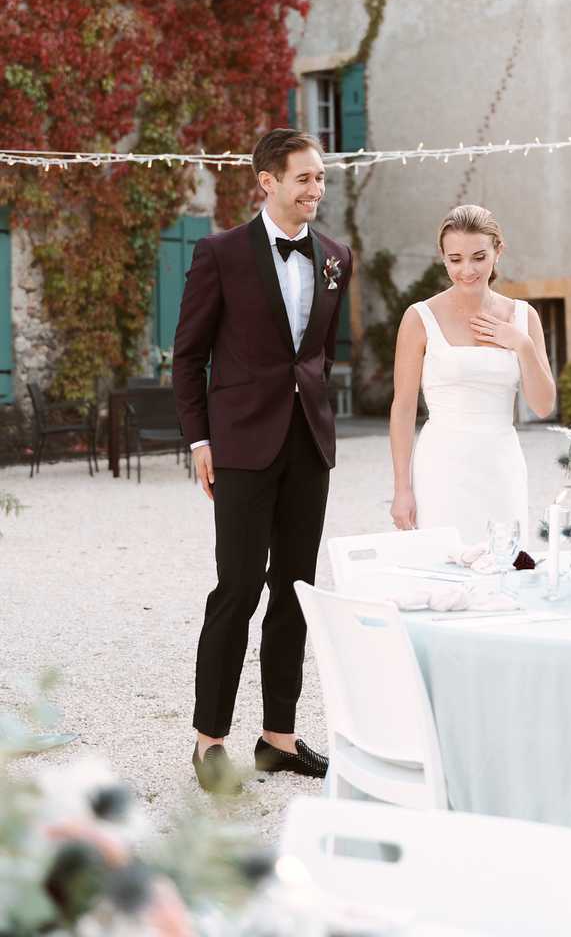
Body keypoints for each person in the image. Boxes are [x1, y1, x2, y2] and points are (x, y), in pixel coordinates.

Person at [172, 128, 352, 794]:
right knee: (238, 590)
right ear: (266, 182)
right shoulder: (220, 253)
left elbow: (320, 354)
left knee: (295, 591)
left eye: (321, 178)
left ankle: (278, 738)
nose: (315, 189)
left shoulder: (335, 256)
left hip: (309, 445)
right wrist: (200, 441)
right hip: (240, 449)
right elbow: (187, 356)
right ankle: (209, 740)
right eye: (304, 178)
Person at [390, 204, 555, 543]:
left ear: (498, 251)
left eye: (478, 257)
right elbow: (403, 408)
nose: (467, 270)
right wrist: (401, 489)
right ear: (443, 257)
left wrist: (521, 345)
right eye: (455, 259)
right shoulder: (419, 317)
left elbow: (543, 406)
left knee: (505, 569)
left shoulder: (524, 317)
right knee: (443, 576)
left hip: (501, 464)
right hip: (441, 465)